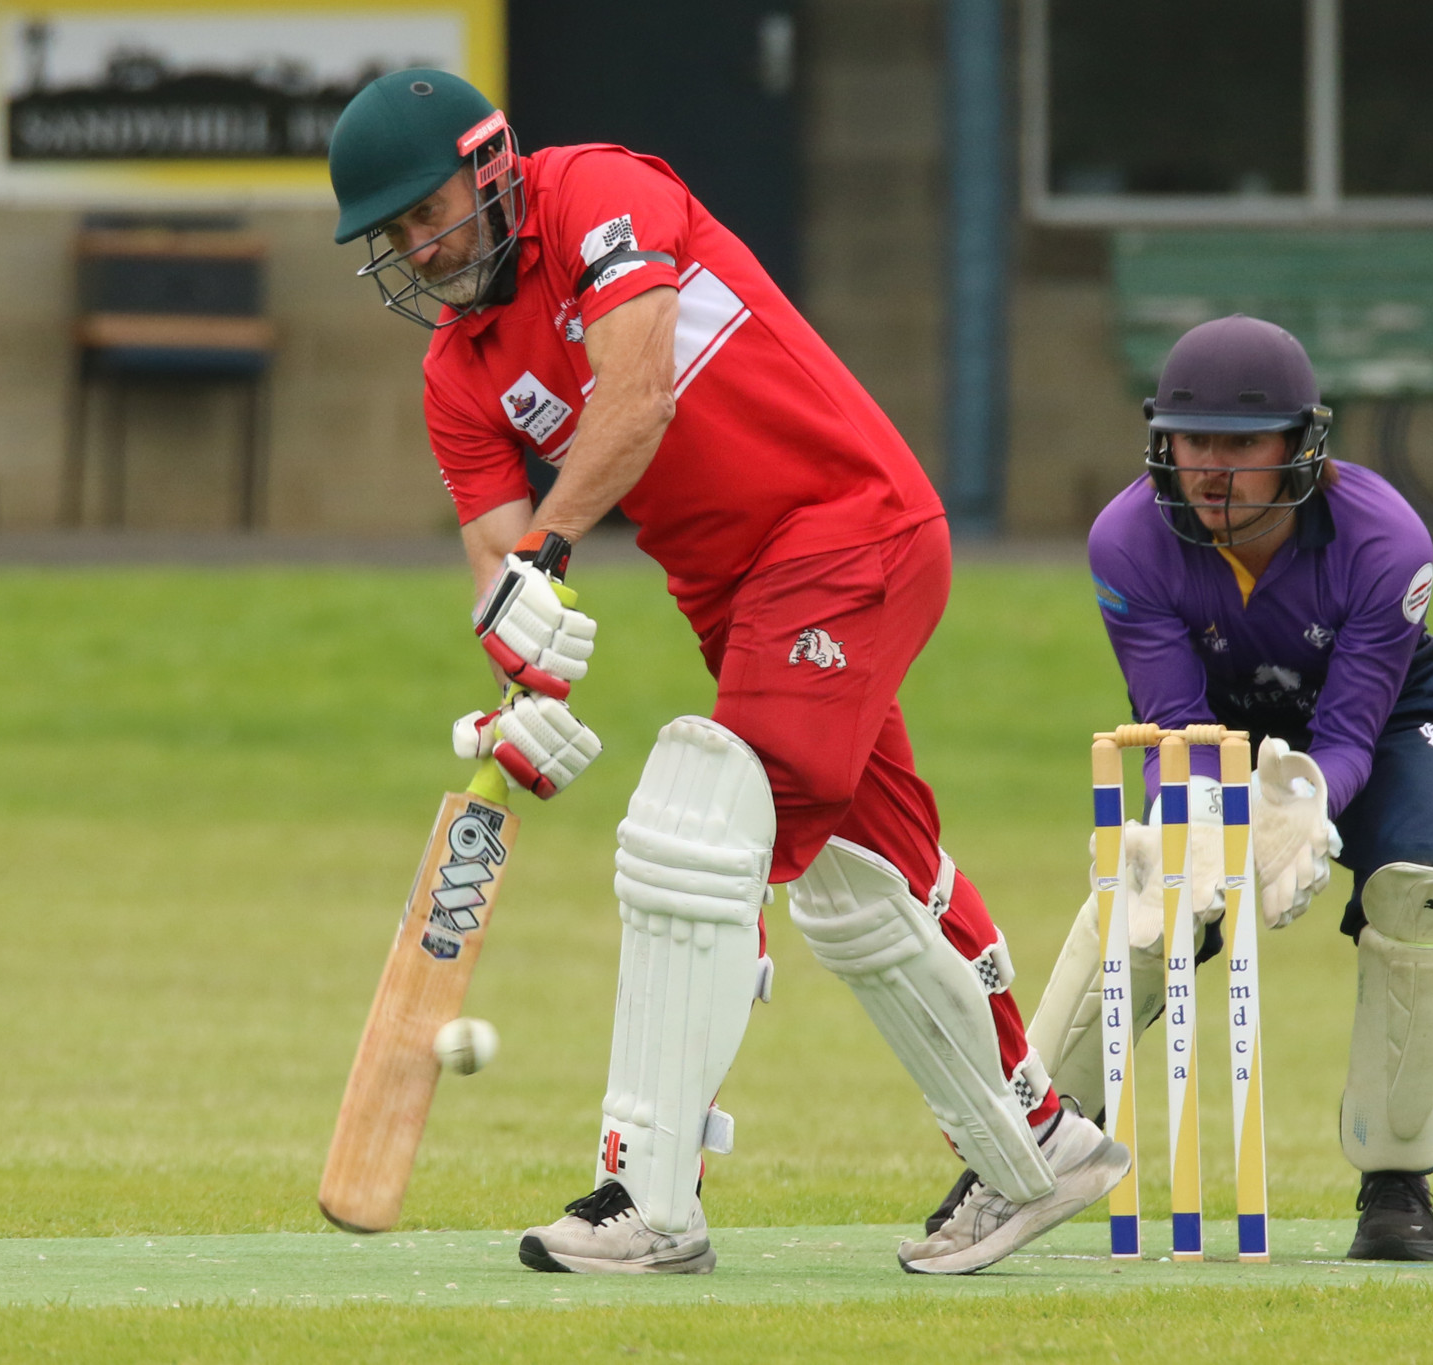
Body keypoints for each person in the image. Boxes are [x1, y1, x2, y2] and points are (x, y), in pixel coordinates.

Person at [322, 70, 1128, 1277]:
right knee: (878, 867)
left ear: (488, 166)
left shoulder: (599, 192)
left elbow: (636, 397)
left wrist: (545, 552)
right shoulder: (458, 375)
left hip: (845, 526)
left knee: (697, 842)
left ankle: (646, 1195)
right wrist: (524, 689)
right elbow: (500, 578)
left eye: (423, 211)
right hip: (738, 600)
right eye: (391, 234)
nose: (415, 248)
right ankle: (1046, 1141)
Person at [928, 314, 1433, 1261]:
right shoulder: (1127, 541)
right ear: (1164, 441)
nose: (1214, 467)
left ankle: (1397, 1181)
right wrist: (1194, 822)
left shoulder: (1387, 541)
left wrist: (1301, 800)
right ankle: (1022, 1148)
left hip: (1382, 726)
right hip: (1213, 734)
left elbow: (1351, 731)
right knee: (1153, 882)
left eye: (1243, 442)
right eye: (1197, 442)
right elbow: (1173, 727)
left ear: (1299, 445)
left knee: (1422, 891)